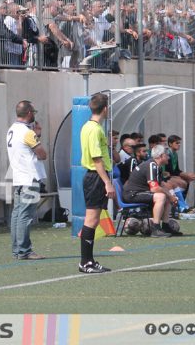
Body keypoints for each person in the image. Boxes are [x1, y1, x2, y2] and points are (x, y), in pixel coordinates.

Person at [6, 101, 47, 260]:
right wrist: (36, 135)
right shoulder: (27, 132)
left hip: (18, 177)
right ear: (29, 113)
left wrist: (35, 134)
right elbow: (42, 154)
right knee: (25, 215)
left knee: (17, 214)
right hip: (29, 177)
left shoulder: (11, 130)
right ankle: (24, 250)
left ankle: (17, 249)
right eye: (33, 113)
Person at [78, 93, 114, 274]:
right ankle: (85, 262)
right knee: (91, 220)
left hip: (95, 176)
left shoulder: (88, 126)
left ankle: (89, 260)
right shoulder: (95, 129)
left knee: (93, 220)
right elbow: (97, 158)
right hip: (96, 177)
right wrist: (107, 182)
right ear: (105, 109)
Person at [122, 145, 182, 237]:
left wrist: (172, 196)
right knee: (161, 196)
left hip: (138, 192)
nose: (168, 157)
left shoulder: (156, 166)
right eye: (166, 155)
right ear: (161, 156)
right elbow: (154, 188)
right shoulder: (151, 165)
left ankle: (165, 226)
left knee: (166, 195)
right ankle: (155, 228)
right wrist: (170, 196)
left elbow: (161, 185)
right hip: (132, 194)